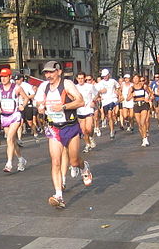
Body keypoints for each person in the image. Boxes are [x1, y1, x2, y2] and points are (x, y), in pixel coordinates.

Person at [34, 60, 92, 208]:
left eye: (51, 72)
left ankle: (83, 166)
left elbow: (80, 101)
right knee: (55, 161)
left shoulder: (66, 85)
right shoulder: (43, 86)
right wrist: (40, 106)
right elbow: (38, 102)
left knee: (73, 161)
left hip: (70, 127)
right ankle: (58, 195)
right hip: (54, 128)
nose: (48, 75)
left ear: (59, 72)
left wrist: (63, 106)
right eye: (46, 72)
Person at [0, 67, 26, 172]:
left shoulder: (16, 88)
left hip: (15, 115)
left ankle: (9, 164)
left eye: (5, 76)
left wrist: (23, 105)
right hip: (4, 116)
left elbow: (26, 98)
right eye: (1, 77)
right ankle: (21, 159)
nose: (3, 79)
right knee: (12, 141)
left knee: (9, 139)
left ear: (10, 77)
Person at [75, 72, 97, 152]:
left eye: (82, 78)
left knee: (88, 128)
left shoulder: (90, 86)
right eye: (79, 78)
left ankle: (91, 137)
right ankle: (87, 144)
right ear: (77, 79)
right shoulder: (75, 87)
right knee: (84, 130)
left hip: (89, 109)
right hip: (80, 111)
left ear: (84, 79)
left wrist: (93, 102)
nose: (80, 80)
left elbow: (97, 94)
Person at [95, 68, 119, 140]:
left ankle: (111, 131)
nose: (105, 77)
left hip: (112, 99)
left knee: (110, 113)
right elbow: (95, 92)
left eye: (106, 75)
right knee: (108, 116)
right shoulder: (100, 83)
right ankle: (112, 129)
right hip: (105, 101)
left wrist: (117, 91)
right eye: (103, 76)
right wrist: (100, 92)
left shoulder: (113, 81)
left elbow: (118, 87)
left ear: (109, 75)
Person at [132, 75, 152, 146]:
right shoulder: (131, 88)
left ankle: (145, 138)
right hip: (136, 105)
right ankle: (143, 137)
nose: (136, 80)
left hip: (144, 104)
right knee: (139, 124)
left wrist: (148, 98)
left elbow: (151, 93)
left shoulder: (144, 87)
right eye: (134, 78)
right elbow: (128, 98)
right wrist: (132, 95)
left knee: (143, 122)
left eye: (137, 78)